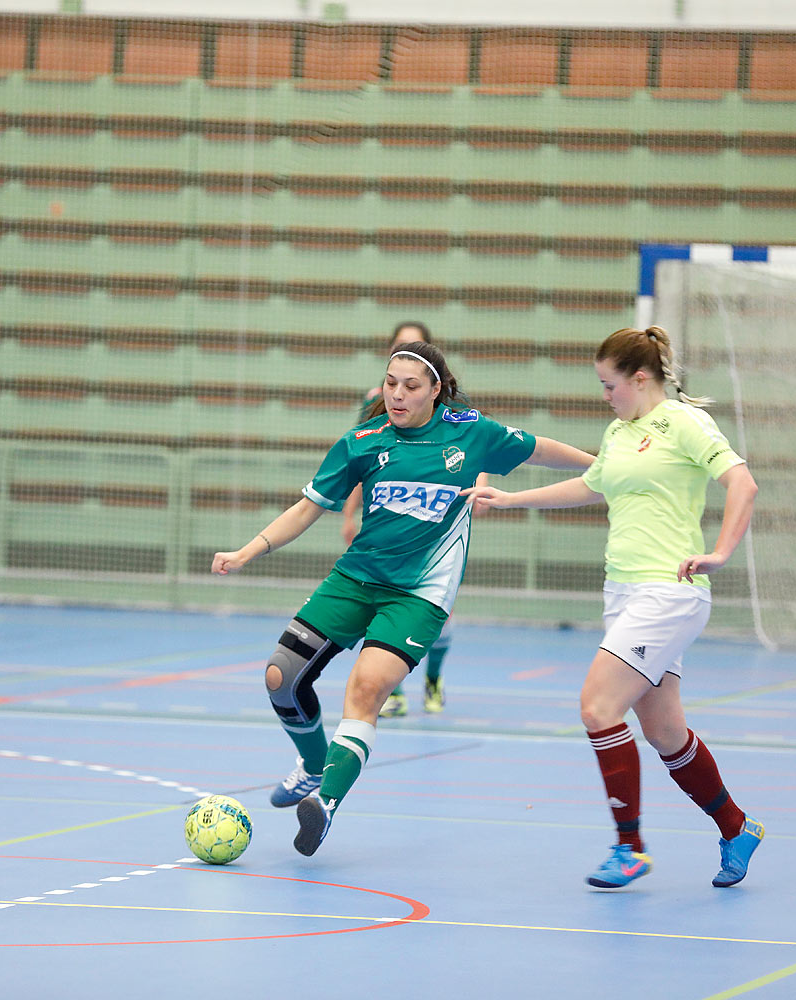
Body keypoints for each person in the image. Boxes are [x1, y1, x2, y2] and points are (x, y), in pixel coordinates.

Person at [212, 340, 595, 856]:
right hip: (356, 578)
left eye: (411, 386)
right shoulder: (363, 441)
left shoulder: (471, 433)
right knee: (280, 676)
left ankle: (324, 805)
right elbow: (307, 508)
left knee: (366, 689)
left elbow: (540, 448)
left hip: (418, 595)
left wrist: (602, 469)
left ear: (436, 391)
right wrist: (247, 550)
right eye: (391, 383)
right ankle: (312, 760)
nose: (397, 394)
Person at [463, 326, 761, 890]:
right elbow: (593, 484)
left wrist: (721, 552)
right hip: (622, 593)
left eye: (610, 385)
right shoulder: (620, 431)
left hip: (668, 590)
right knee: (665, 729)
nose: (606, 395)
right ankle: (736, 826)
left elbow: (742, 484)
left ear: (640, 378)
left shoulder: (685, 422)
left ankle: (629, 847)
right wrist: (510, 498)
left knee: (598, 707)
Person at [340, 321, 480, 718]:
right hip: (384, 523)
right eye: (400, 347)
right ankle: (392, 690)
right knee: (384, 604)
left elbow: (477, 446)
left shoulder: (452, 406)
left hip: (436, 523)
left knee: (437, 612)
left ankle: (433, 678)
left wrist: (480, 484)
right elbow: (358, 462)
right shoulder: (376, 402)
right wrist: (349, 515)